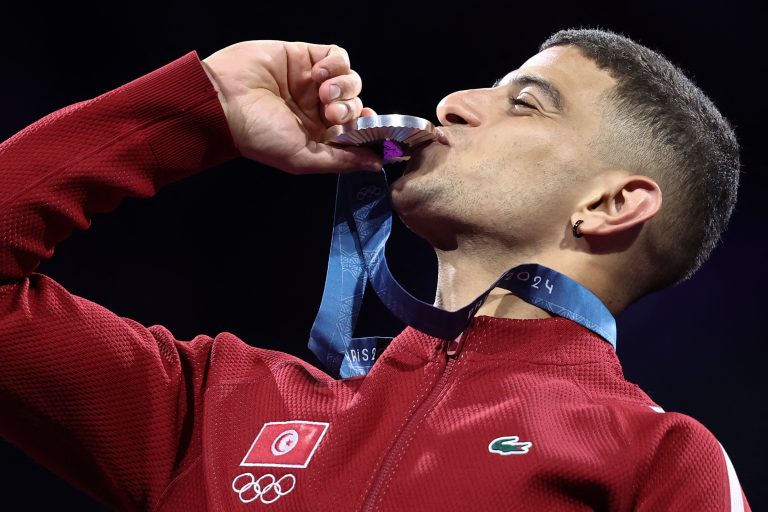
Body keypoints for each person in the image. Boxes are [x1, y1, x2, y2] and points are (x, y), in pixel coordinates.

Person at [0, 28, 751, 511]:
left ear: (613, 202)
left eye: (526, 103)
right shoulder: (218, 406)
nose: (453, 103)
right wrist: (200, 111)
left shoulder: (658, 462)